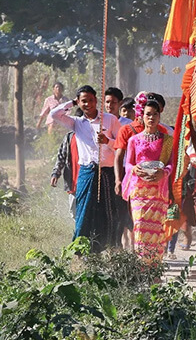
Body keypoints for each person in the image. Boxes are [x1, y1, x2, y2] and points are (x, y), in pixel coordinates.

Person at [49, 85, 123, 252]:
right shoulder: (76, 123)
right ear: (79, 103)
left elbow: (121, 146)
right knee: (83, 213)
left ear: (96, 101)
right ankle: (81, 251)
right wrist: (73, 102)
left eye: (91, 100)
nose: (88, 104)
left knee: (108, 213)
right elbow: (54, 114)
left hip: (107, 173)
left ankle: (111, 250)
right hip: (87, 173)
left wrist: (107, 142)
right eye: (84, 101)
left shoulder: (110, 119)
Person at [119, 98, 174, 264]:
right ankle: (143, 267)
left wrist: (163, 172)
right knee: (141, 228)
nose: (151, 118)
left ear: (159, 116)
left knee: (157, 231)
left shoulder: (167, 140)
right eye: (148, 114)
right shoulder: (134, 140)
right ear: (141, 116)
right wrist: (134, 169)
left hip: (158, 191)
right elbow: (128, 164)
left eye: (155, 114)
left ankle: (155, 268)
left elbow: (171, 164)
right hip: (139, 192)